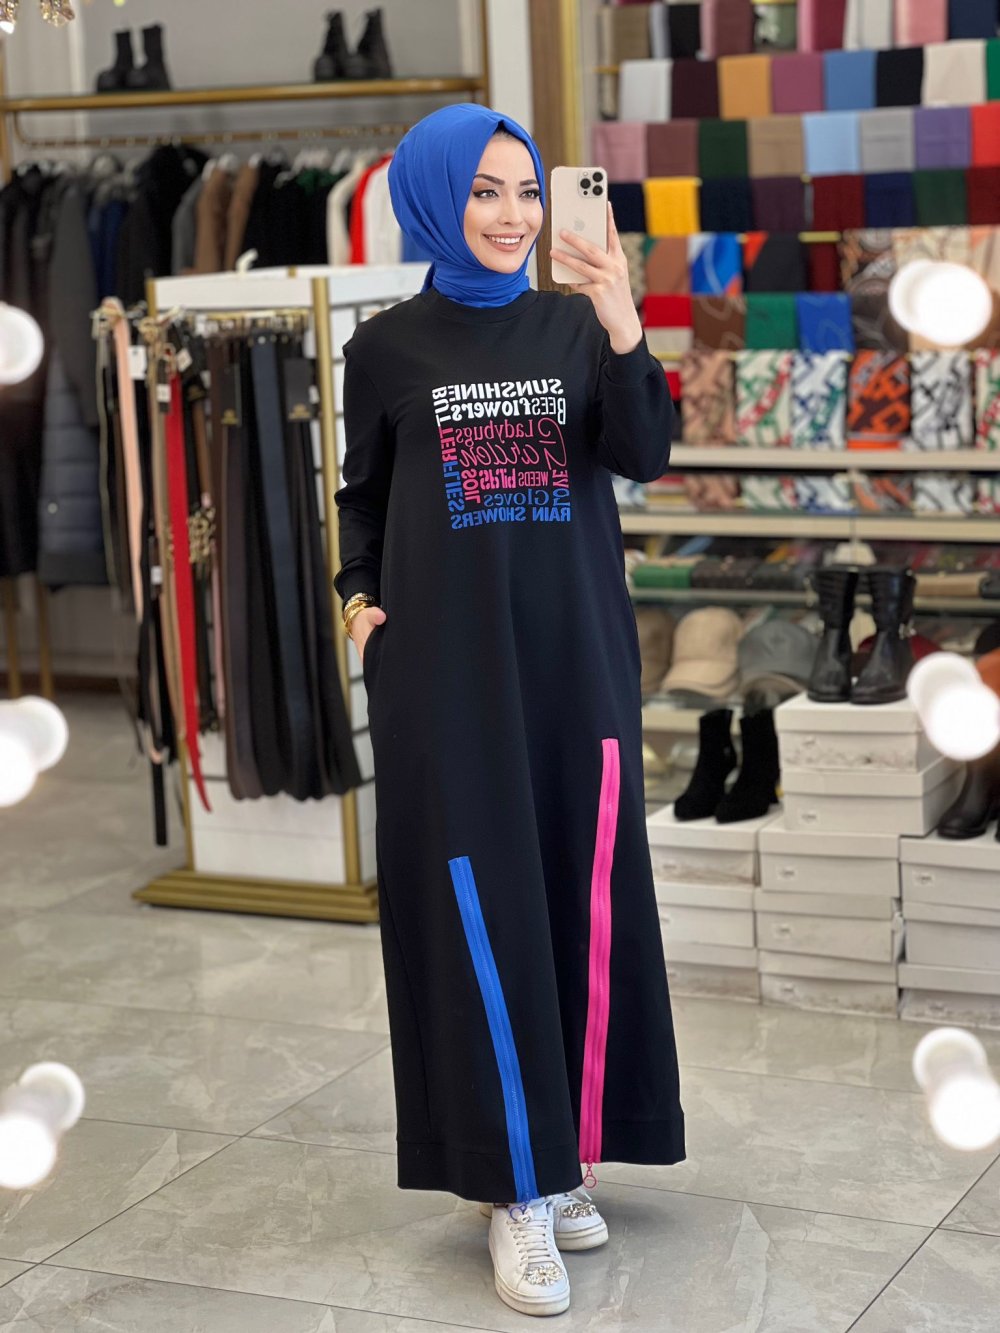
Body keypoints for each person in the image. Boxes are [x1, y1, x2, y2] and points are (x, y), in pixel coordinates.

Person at [333, 103, 685, 1319]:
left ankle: (565, 1153)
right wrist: (357, 600)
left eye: (526, 188)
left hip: (575, 665)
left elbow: (644, 451)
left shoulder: (574, 324)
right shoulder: (384, 348)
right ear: (435, 200)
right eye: (484, 190)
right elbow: (362, 497)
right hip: (445, 675)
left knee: (580, 904)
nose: (513, 214)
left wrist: (621, 316)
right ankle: (510, 1186)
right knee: (479, 916)